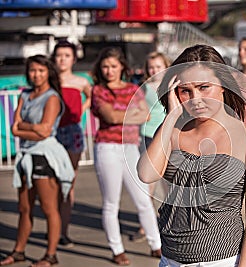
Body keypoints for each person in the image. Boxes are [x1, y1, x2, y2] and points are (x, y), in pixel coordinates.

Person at [137, 44, 246, 267]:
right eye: (185, 90)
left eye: (203, 87)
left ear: (223, 86)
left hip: (222, 260)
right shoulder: (173, 130)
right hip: (170, 259)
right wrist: (171, 117)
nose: (195, 99)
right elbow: (146, 173)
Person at [0, 55, 74, 267]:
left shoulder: (52, 97)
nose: (36, 75)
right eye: (33, 70)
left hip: (45, 156)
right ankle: (19, 251)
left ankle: (51, 255)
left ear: (48, 72)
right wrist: (33, 128)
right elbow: (14, 128)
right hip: (25, 156)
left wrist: (26, 127)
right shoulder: (25, 94)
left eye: (41, 70)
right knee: (24, 208)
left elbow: (45, 132)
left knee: (50, 208)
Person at [90, 47, 162, 266]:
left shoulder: (133, 88)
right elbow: (109, 116)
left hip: (130, 147)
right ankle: (116, 248)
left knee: (143, 199)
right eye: (105, 66)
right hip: (107, 148)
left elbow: (145, 115)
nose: (109, 71)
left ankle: (156, 244)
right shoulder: (98, 91)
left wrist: (124, 115)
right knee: (111, 202)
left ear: (122, 66)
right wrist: (131, 114)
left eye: (113, 66)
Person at [51, 40, 92, 247]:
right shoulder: (49, 80)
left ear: (74, 59)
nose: (62, 59)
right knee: (51, 184)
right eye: (59, 55)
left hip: (73, 132)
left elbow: (92, 96)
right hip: (51, 132)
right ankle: (54, 229)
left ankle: (63, 232)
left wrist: (81, 109)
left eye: (67, 55)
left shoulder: (80, 81)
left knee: (68, 183)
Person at [134, 51, 170, 241]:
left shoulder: (172, 86)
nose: (154, 70)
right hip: (149, 135)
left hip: (168, 135)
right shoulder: (144, 88)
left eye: (158, 66)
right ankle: (144, 225)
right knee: (148, 184)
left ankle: (170, 223)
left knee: (169, 183)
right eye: (151, 67)